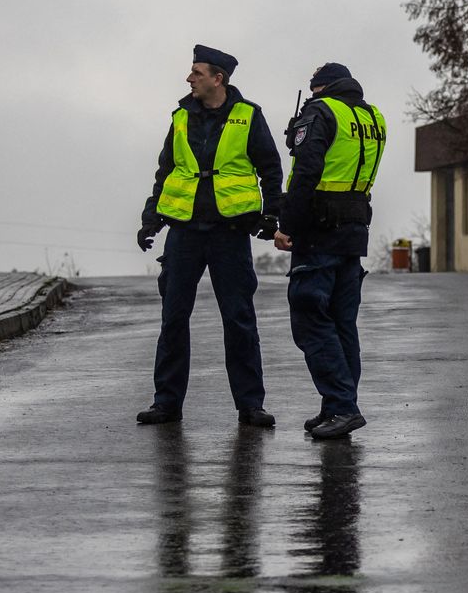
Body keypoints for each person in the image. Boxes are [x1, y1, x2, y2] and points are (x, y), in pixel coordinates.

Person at [136, 44, 284, 428]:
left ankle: (250, 405)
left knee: (238, 319)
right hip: (184, 232)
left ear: (218, 78)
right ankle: (166, 403)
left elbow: (270, 168)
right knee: (173, 318)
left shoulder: (248, 116)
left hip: (229, 233)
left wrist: (271, 215)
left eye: (197, 73)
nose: (189, 79)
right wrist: (151, 219)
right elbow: (166, 170)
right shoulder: (181, 117)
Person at [274, 62, 385, 440]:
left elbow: (306, 172)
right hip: (354, 230)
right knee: (341, 323)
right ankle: (336, 405)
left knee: (310, 316)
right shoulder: (373, 118)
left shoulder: (319, 112)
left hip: (318, 231)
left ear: (319, 87)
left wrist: (286, 225)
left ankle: (342, 407)